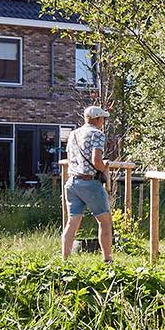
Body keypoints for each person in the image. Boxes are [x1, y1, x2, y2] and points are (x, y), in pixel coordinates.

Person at [61, 103, 114, 262]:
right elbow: (96, 161)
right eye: (103, 119)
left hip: (72, 182)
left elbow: (70, 159)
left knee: (72, 223)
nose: (103, 122)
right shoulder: (97, 134)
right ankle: (107, 260)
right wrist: (104, 166)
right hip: (90, 183)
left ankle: (65, 260)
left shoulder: (73, 134)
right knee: (105, 222)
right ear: (97, 120)